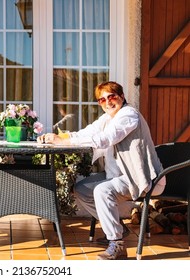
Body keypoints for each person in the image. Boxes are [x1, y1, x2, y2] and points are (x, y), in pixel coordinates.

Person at [37, 81, 165, 260]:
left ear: (121, 97)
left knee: (103, 190)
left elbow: (106, 138)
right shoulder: (107, 119)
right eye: (102, 100)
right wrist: (59, 137)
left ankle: (117, 244)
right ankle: (117, 227)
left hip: (139, 176)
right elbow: (86, 133)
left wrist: (64, 142)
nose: (108, 102)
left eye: (111, 97)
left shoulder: (129, 114)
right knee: (81, 189)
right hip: (118, 176)